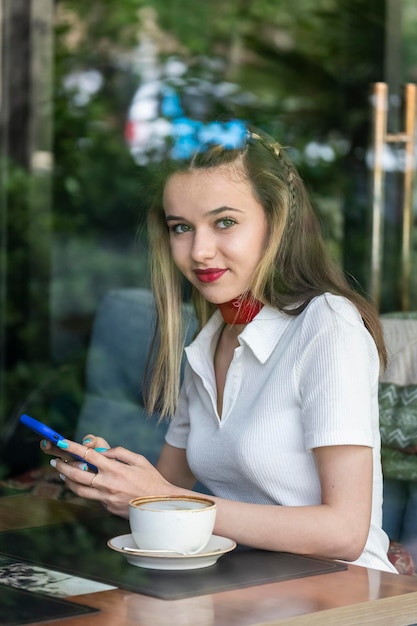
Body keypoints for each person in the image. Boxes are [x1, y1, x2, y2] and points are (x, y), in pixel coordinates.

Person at [42, 124, 397, 573]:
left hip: (342, 596)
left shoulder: (327, 327)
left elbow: (344, 533)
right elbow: (165, 491)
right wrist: (111, 476)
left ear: (277, 222)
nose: (199, 251)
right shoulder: (209, 341)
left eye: (224, 222)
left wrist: (164, 497)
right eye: (181, 228)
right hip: (240, 585)